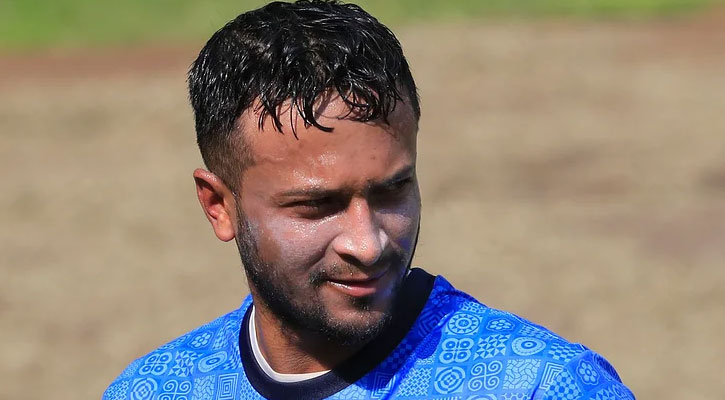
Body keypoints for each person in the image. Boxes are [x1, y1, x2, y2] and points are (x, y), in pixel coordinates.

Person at [103, 1, 635, 399]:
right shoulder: (155, 390)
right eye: (317, 206)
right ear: (219, 206)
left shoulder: (540, 386)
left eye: (392, 190)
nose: (368, 243)